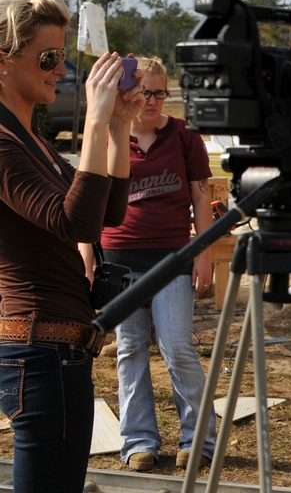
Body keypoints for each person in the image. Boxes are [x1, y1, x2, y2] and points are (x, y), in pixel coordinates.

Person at [0, 0, 143, 492]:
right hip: (39, 350)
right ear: (3, 61)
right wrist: (96, 119)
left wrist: (119, 128)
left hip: (57, 350)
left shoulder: (30, 138)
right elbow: (73, 224)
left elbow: (107, 210)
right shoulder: (2, 144)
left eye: (61, 57)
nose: (61, 70)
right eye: (48, 57)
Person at [81, 56, 217, 472]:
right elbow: (91, 200)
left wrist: (204, 254)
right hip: (120, 262)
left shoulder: (184, 137)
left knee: (176, 346)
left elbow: (200, 196)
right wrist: (86, 258)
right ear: (129, 93)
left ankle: (199, 439)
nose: (152, 100)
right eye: (145, 92)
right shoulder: (108, 136)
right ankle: (139, 442)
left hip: (172, 259)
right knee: (130, 349)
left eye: (160, 92)